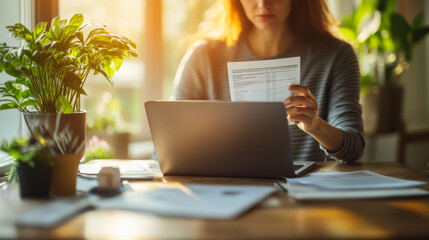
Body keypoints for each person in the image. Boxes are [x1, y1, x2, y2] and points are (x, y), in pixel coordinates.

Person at [171, 0, 365, 163]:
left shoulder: (336, 56)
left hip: (300, 198)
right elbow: (171, 141)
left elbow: (352, 148)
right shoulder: (203, 57)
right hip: (223, 190)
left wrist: (315, 126)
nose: (263, 4)